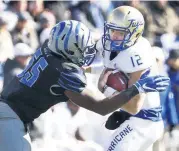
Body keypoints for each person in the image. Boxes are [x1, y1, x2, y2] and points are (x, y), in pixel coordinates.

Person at [0, 20, 170, 151]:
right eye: (82, 47)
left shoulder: (47, 49)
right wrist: (137, 87)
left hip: (8, 112)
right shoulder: (64, 72)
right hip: (9, 119)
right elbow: (102, 107)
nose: (86, 51)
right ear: (70, 48)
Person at [97, 6, 169, 151]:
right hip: (137, 120)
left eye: (121, 32)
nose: (115, 35)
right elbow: (108, 66)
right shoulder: (120, 48)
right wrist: (85, 69)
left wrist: (105, 90)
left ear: (134, 34)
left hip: (143, 122)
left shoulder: (137, 56)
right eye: (112, 30)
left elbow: (134, 107)